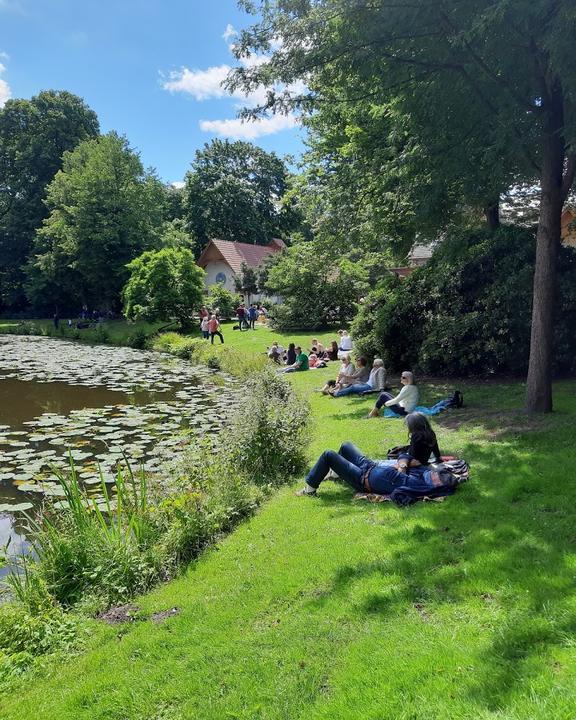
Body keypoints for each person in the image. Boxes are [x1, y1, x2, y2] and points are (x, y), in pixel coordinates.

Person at [295, 440, 438, 497]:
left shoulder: (417, 485)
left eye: (437, 478)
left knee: (328, 455)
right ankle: (337, 473)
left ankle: (309, 490)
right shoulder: (425, 473)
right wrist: (404, 464)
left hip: (363, 479)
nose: (435, 475)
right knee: (346, 445)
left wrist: (402, 466)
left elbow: (401, 471)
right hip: (371, 466)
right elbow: (405, 457)